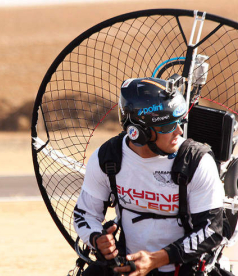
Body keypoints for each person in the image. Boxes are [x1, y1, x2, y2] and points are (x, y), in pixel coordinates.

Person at [73, 77, 225, 276]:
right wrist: (97, 239)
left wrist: (155, 260)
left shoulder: (196, 162)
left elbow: (212, 230)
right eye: (167, 126)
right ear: (138, 132)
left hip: (183, 267)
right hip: (127, 265)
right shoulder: (108, 157)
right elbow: (84, 214)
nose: (179, 131)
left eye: (179, 121)